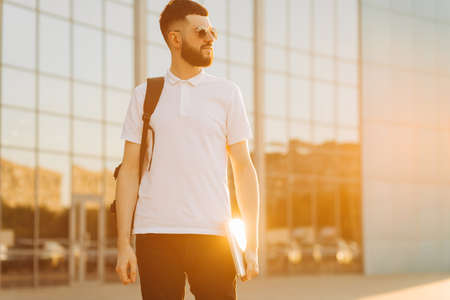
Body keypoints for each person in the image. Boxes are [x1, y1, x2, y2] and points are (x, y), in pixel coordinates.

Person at [114, 0, 260, 299]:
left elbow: (244, 168)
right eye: (201, 32)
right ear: (175, 38)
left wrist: (252, 246)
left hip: (214, 236)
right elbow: (128, 170)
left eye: (212, 32)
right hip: (154, 233)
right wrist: (123, 245)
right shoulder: (145, 94)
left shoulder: (227, 93)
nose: (210, 38)